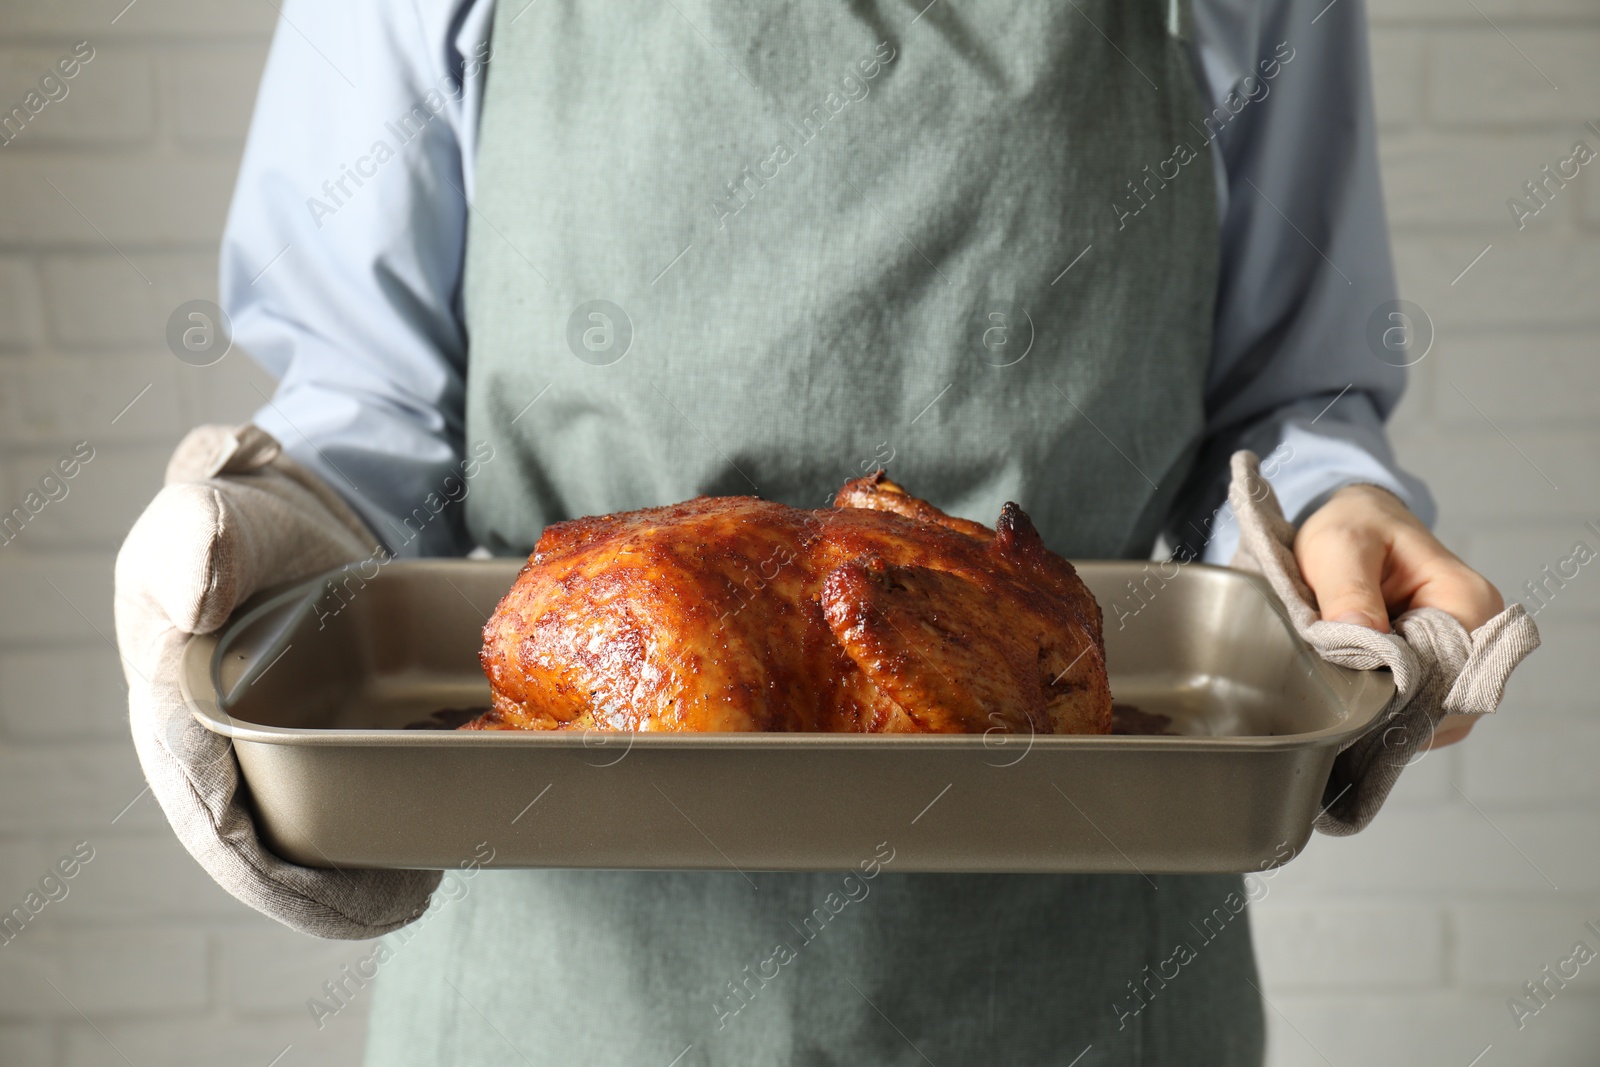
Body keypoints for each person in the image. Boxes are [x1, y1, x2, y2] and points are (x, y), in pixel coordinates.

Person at [116, 0, 1504, 1063]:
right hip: (564, 991)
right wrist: (278, 535)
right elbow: (374, 396)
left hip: (1081, 986)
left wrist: (1329, 521)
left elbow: (1286, 393)